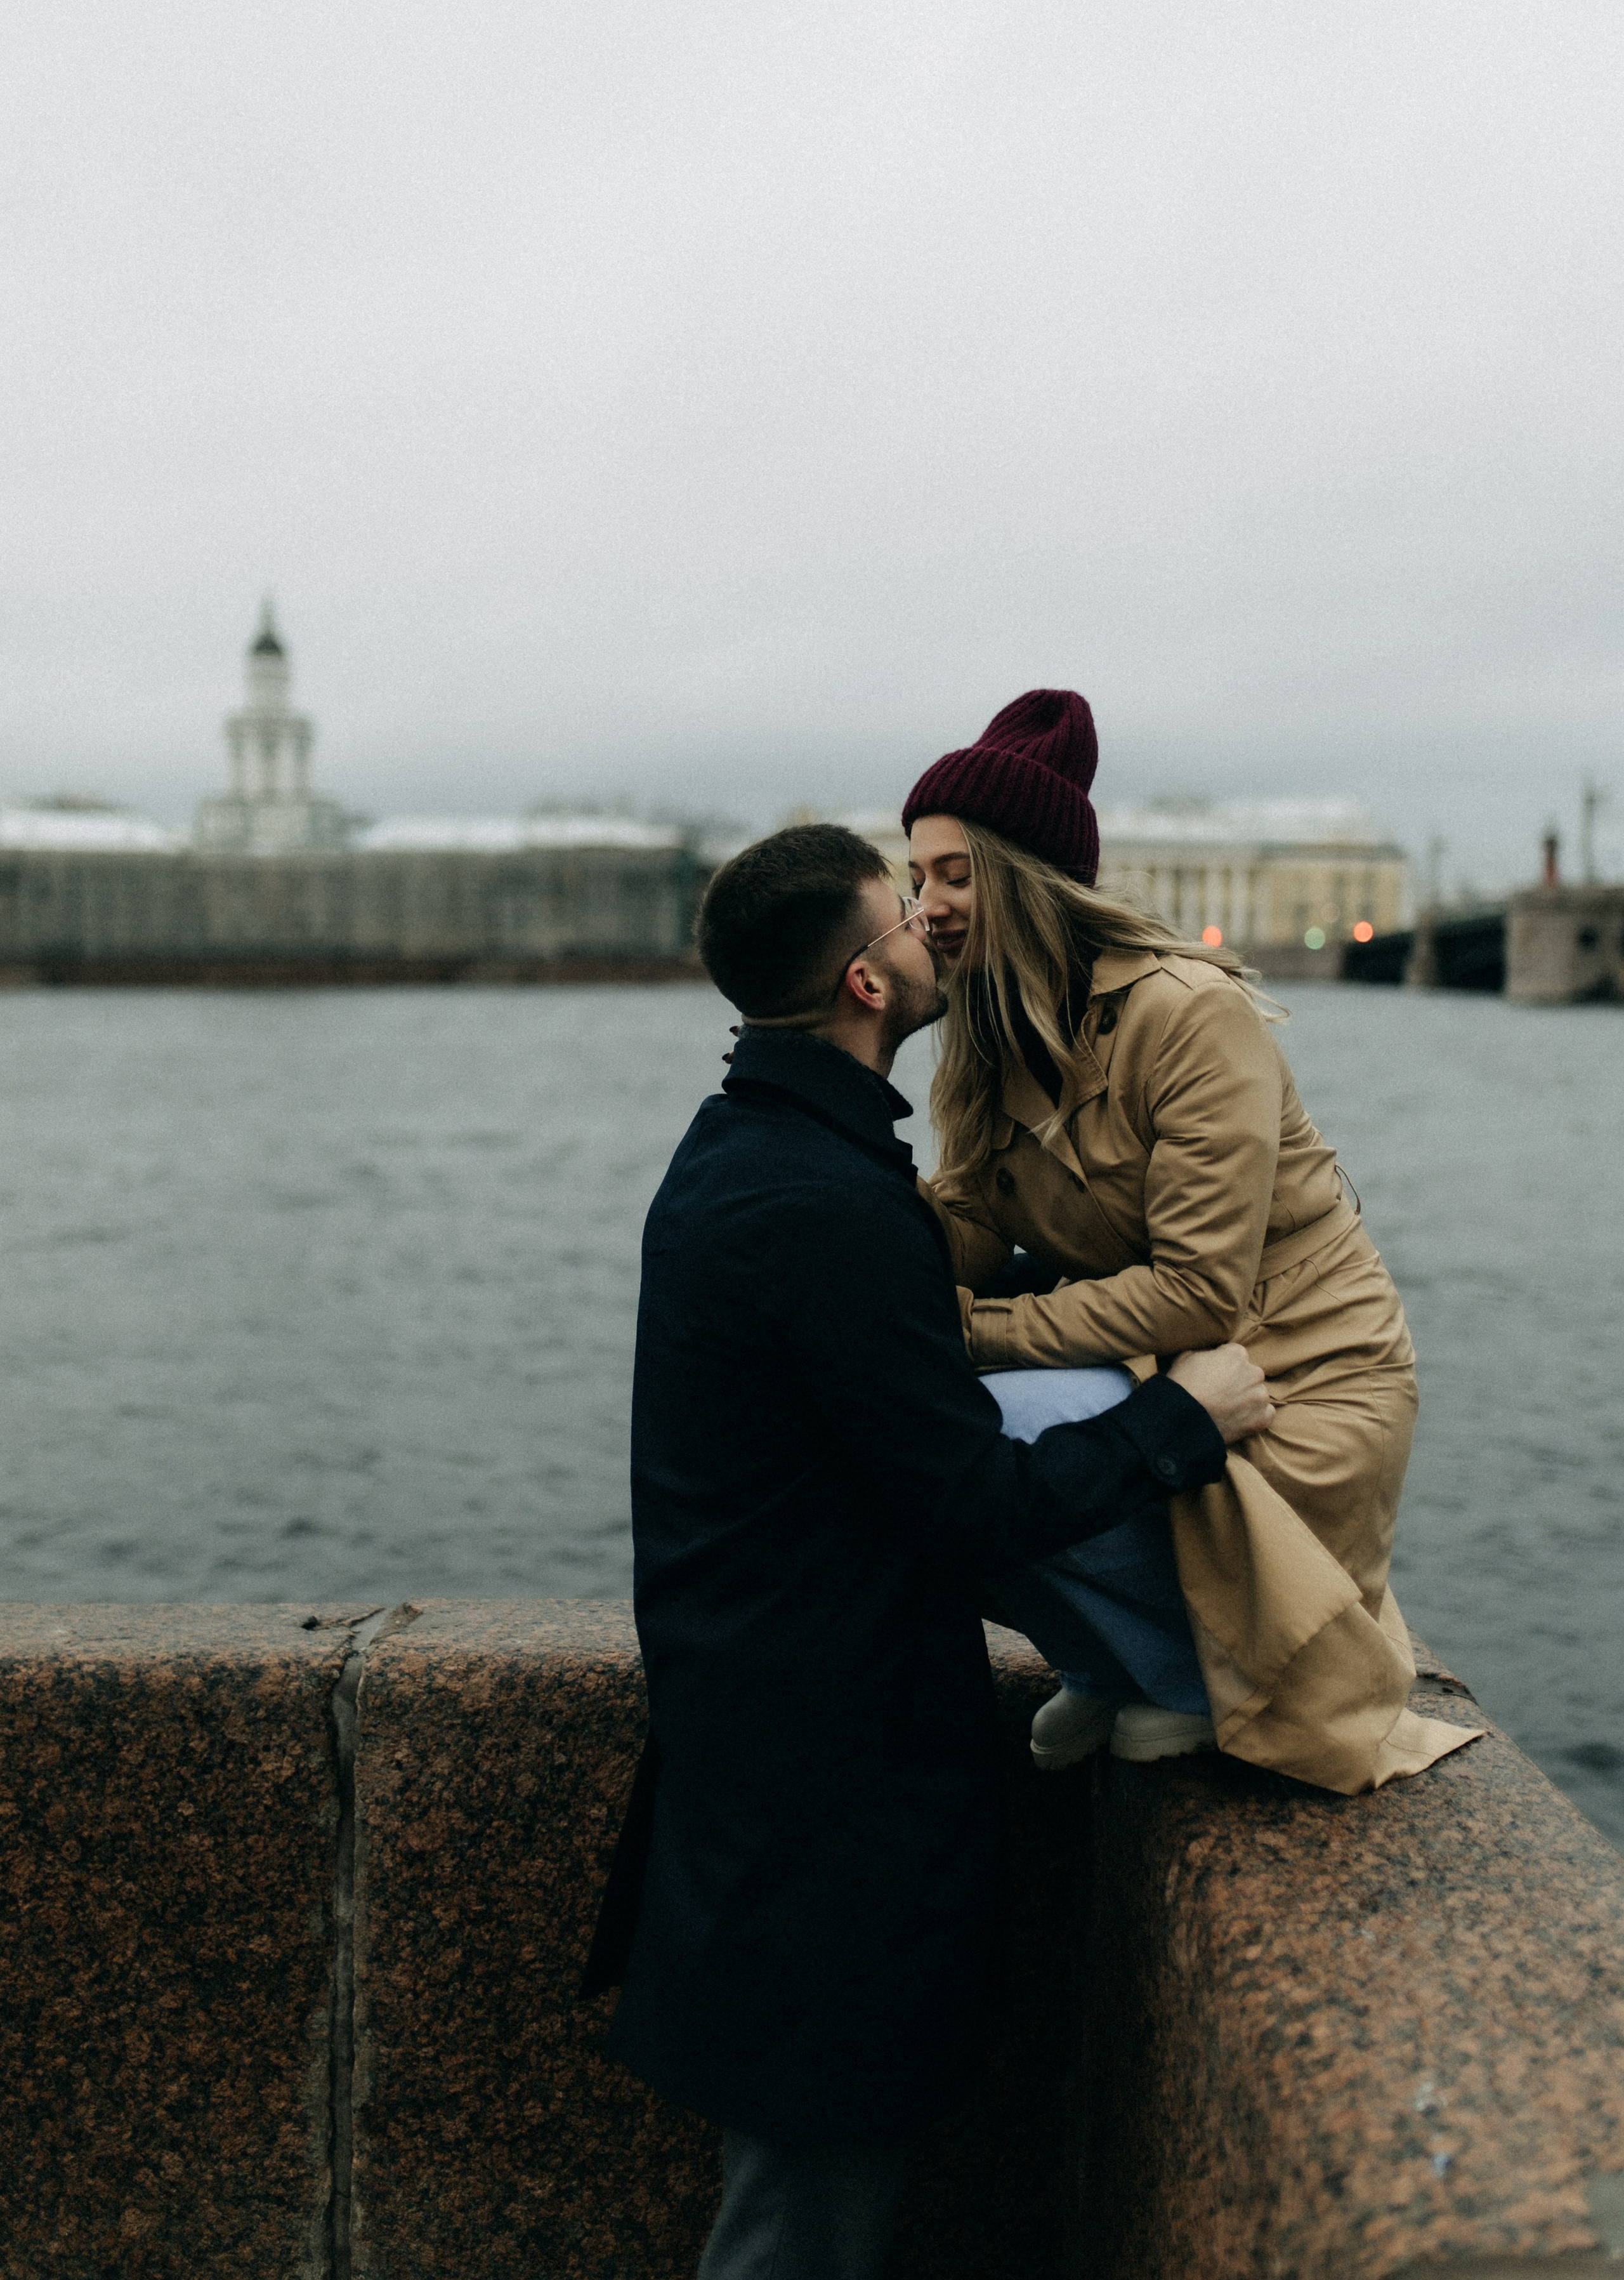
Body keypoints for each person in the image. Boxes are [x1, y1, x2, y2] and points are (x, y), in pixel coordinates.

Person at [582, 822, 1273, 2280]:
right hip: (822, 1800)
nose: (929, 926)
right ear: (865, 981)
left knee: (805, 2199)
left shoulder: (747, 1153)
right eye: (905, 910)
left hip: (767, 1754)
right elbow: (973, 1508)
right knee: (796, 2229)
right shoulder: (823, 1205)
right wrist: (1183, 1419)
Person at [903, 687, 1480, 1795]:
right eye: (917, 876)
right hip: (1168, 1375)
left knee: (979, 1426)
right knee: (888, 1408)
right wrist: (850, 1200)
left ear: (1025, 878)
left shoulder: (1186, 1013)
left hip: (1294, 1389)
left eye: (955, 875)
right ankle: (1115, 1656)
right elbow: (970, 1220)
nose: (926, 905)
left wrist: (973, 1329)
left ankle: (1188, 1678)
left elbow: (1197, 1293)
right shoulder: (988, 1032)